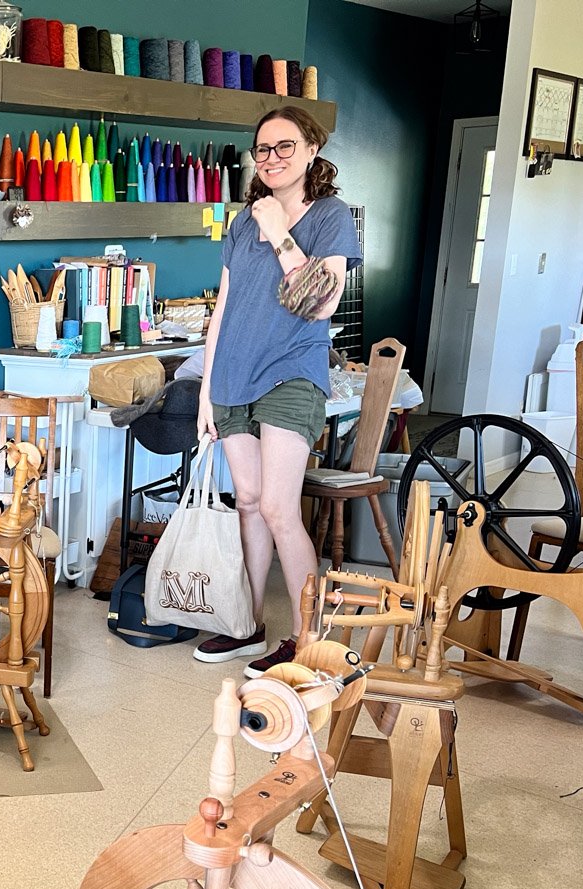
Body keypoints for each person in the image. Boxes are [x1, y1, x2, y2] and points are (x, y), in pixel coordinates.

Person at [194, 106, 360, 676]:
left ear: (311, 150)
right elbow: (224, 308)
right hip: (232, 377)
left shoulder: (330, 217)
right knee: (246, 503)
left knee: (278, 508)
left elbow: (321, 303)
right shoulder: (242, 222)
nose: (270, 159)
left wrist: (277, 230)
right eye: (262, 150)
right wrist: (205, 393)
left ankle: (307, 641)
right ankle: (248, 626)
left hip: (290, 373)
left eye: (283, 147)